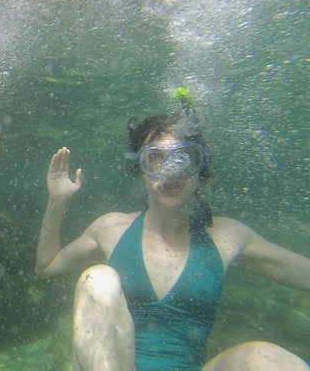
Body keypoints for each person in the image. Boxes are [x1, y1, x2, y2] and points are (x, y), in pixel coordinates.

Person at [35, 110, 310, 371]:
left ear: (199, 167)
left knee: (266, 357)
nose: (171, 171)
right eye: (154, 158)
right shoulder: (111, 227)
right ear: (139, 168)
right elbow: (46, 267)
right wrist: (57, 201)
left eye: (184, 157)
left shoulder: (227, 236)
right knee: (98, 279)